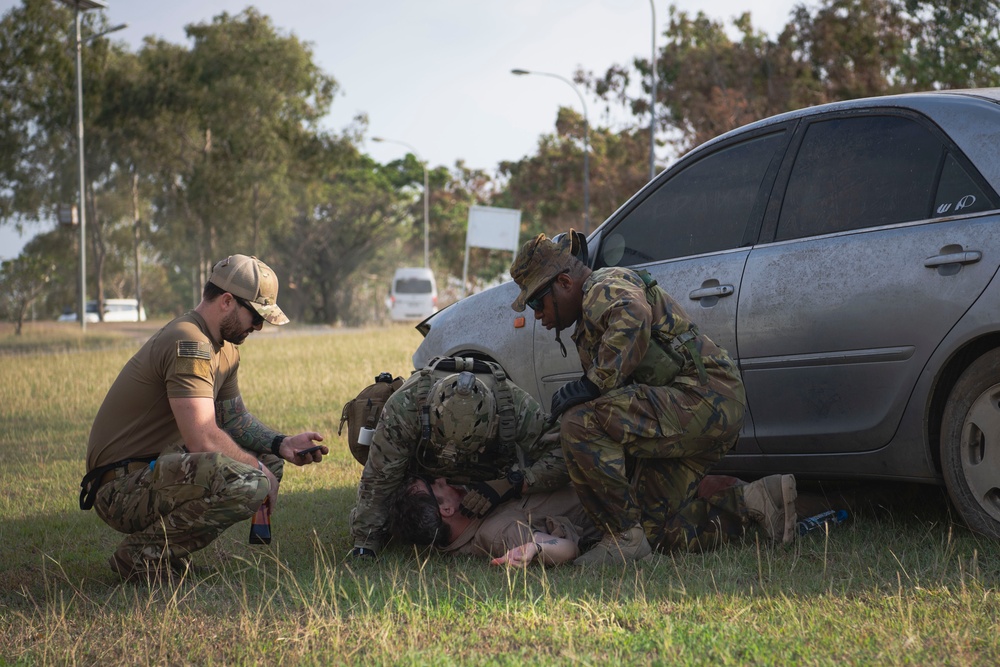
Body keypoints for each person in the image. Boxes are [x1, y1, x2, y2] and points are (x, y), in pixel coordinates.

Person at [509, 231, 797, 565]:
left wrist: (594, 383)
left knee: (581, 421)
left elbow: (633, 313)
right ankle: (758, 502)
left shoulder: (602, 285)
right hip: (690, 410)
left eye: (535, 302)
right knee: (654, 531)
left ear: (564, 282)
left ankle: (623, 541)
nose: (536, 315)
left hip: (704, 400)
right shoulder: (590, 315)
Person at [80, 254, 327, 583]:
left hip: (155, 471)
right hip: (121, 489)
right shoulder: (189, 343)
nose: (258, 326)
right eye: (255, 315)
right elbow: (203, 437)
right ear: (227, 301)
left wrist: (280, 444)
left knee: (268, 460)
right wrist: (258, 471)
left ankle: (166, 555)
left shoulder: (224, 348)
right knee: (251, 481)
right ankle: (141, 557)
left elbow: (233, 419)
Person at [349, 358, 569, 559]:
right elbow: (379, 479)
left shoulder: (515, 407)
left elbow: (563, 456)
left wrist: (511, 483)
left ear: (493, 425)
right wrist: (365, 544)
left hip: (488, 475)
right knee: (393, 519)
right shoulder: (404, 410)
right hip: (424, 475)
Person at [389, 475, 602, 566]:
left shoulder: (465, 523)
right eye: (434, 483)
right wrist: (535, 547)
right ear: (446, 509)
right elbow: (568, 550)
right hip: (610, 495)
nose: (443, 479)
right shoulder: (495, 533)